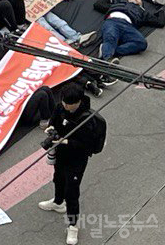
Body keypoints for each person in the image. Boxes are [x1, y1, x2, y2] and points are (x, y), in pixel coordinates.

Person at [38, 82, 106, 244]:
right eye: (63, 102)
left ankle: (73, 226)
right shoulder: (60, 107)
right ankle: (57, 202)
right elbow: (53, 121)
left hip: (76, 160)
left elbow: (87, 146)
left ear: (78, 101)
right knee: (58, 179)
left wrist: (65, 141)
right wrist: (50, 129)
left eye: (69, 104)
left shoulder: (88, 120)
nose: (65, 106)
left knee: (72, 192)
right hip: (61, 154)